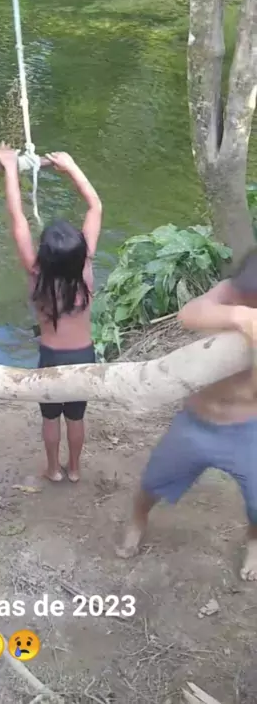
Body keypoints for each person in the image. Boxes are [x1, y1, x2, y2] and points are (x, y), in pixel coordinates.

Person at [117, 247, 257, 581]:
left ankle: (254, 541)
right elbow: (189, 314)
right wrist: (239, 316)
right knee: (154, 480)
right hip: (195, 421)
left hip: (246, 429)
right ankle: (137, 520)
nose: (245, 300)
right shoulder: (230, 292)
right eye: (243, 295)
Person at [0, 142, 102, 483]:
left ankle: (53, 469)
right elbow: (95, 206)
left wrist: (11, 167)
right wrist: (71, 167)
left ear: (44, 254)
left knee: (50, 418)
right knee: (76, 418)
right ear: (80, 250)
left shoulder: (35, 272)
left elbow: (18, 218)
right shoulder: (86, 268)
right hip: (83, 356)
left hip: (51, 358)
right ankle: (75, 469)